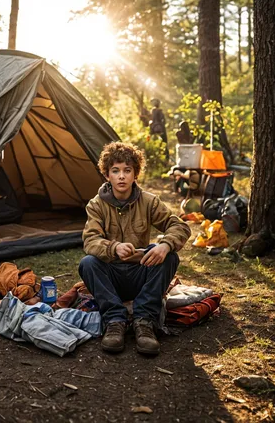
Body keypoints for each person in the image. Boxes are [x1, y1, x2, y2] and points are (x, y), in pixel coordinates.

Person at [79, 142, 191, 355]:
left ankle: (144, 321)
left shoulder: (149, 201)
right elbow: (90, 241)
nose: (121, 176)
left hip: (141, 274)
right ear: (107, 175)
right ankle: (114, 320)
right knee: (88, 263)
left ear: (135, 175)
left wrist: (165, 245)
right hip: (111, 278)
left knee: (169, 257)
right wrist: (113, 247)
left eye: (127, 170)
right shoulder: (96, 205)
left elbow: (179, 226)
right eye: (115, 171)